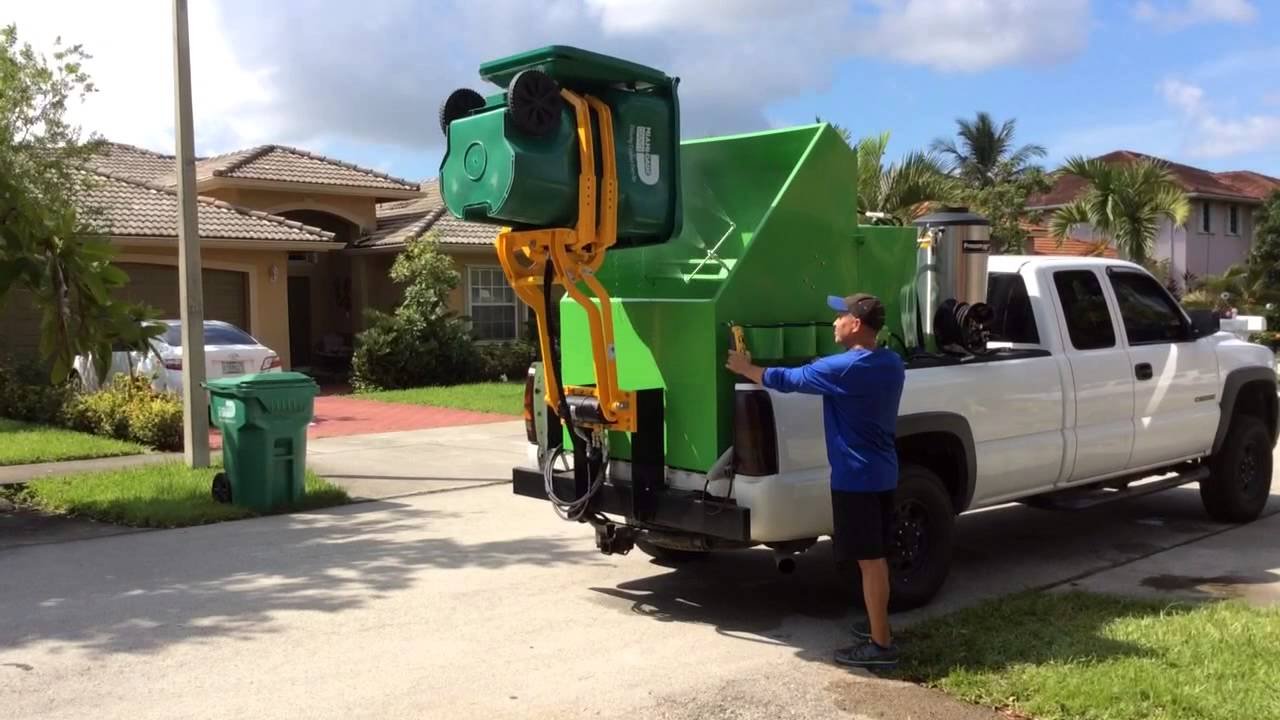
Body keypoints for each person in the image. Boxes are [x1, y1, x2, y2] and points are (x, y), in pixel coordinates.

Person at [725, 293, 906, 669]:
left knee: (870, 562)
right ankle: (878, 627)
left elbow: (788, 379)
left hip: (856, 480)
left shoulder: (842, 368)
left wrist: (746, 367)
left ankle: (881, 646)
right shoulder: (891, 362)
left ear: (856, 324)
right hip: (883, 473)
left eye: (840, 316)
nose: (834, 322)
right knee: (876, 559)